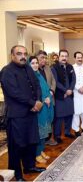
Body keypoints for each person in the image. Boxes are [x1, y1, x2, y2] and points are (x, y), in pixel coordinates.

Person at [1, 45, 45, 181]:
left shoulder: (27, 68)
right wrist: (33, 103)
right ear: (12, 56)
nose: (23, 56)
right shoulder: (6, 71)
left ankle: (29, 166)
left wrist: (37, 101)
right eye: (19, 54)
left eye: (25, 54)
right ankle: (17, 175)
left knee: (31, 142)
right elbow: (14, 93)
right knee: (17, 146)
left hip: (31, 113)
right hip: (17, 115)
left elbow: (37, 85)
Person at [28, 56, 54, 164]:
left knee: (45, 131)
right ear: (29, 65)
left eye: (36, 63)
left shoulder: (39, 74)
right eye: (32, 63)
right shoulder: (29, 76)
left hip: (46, 107)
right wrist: (43, 99)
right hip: (39, 108)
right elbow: (32, 94)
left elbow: (46, 89)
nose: (35, 65)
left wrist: (48, 97)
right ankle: (37, 154)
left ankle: (41, 150)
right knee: (39, 132)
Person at [51, 49, 76, 143]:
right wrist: (65, 91)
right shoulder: (53, 67)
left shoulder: (70, 67)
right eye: (62, 56)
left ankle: (67, 132)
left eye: (66, 56)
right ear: (59, 56)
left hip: (69, 95)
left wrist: (70, 90)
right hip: (60, 96)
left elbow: (74, 80)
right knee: (59, 116)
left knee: (69, 114)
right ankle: (57, 135)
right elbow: (55, 82)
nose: (64, 58)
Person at [36, 50, 57, 146]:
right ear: (36, 58)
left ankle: (50, 138)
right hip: (40, 101)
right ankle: (41, 142)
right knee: (41, 122)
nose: (44, 60)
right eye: (42, 58)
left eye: (45, 58)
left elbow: (53, 81)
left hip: (50, 98)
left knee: (51, 119)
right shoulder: (33, 70)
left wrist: (52, 91)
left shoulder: (48, 68)